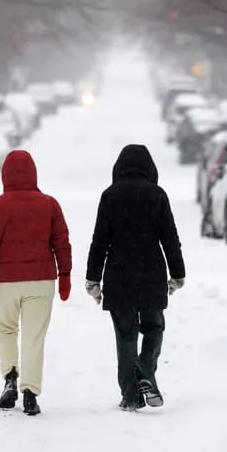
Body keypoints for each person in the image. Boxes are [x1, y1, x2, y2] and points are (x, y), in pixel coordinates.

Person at [84, 144, 185, 411]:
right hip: (151, 272)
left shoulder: (109, 196)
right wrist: (178, 273)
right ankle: (145, 369)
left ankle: (130, 395)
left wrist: (93, 278)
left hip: (118, 275)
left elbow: (100, 241)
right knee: (154, 327)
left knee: (126, 336)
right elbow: (170, 238)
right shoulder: (157, 195)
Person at [0, 149, 72, 416]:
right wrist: (65, 275)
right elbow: (61, 243)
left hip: (7, 282)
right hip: (41, 281)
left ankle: (10, 376)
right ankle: (30, 392)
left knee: (6, 328)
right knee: (34, 336)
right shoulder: (49, 205)